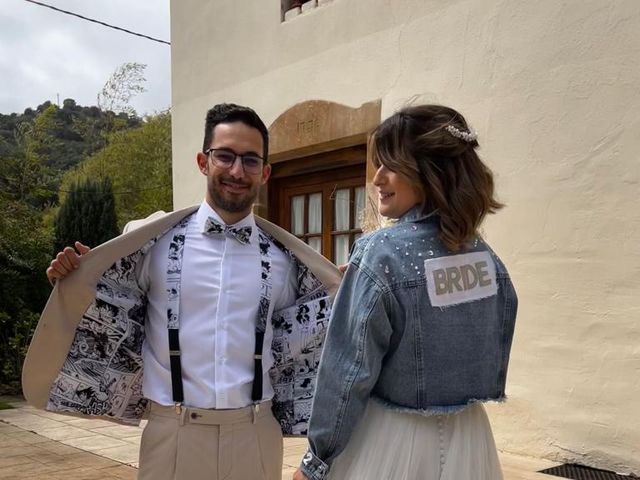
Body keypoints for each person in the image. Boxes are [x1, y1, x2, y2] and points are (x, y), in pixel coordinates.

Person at [22, 103, 342, 480]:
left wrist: (348, 286)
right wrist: (69, 276)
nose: (237, 171)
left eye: (251, 160)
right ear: (203, 162)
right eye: (225, 156)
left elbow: (313, 333)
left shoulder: (286, 260)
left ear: (265, 172)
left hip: (255, 434)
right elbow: (103, 300)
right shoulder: (152, 243)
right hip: (172, 433)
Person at [294, 104, 518, 480]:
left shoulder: (381, 252)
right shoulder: (484, 256)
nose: (377, 178)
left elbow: (348, 374)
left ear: (430, 171)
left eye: (391, 165)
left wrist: (316, 460)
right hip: (470, 438)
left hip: (392, 441)